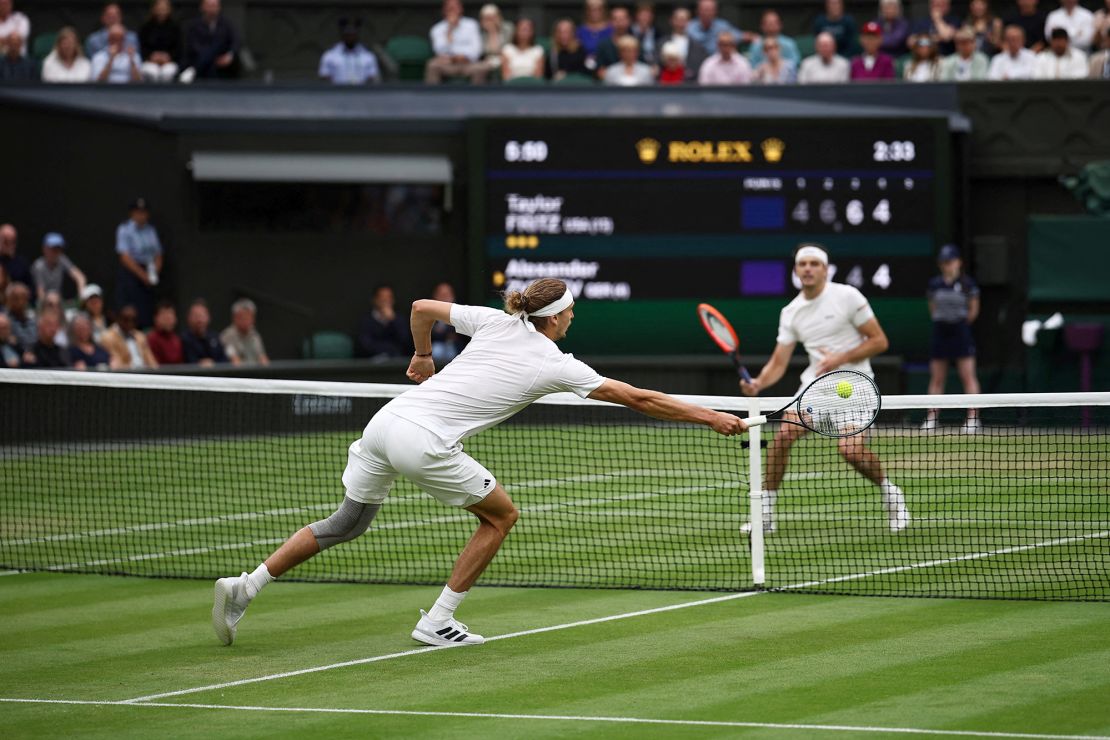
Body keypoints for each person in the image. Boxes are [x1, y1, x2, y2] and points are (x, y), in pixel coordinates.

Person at [211, 277, 747, 647]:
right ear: (556, 318)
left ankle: (247, 585)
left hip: (384, 423)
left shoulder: (493, 321)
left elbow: (419, 308)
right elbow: (641, 399)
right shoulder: (555, 363)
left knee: (346, 521)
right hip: (424, 440)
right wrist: (713, 417)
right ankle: (438, 621)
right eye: (570, 314)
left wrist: (421, 355)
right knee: (502, 516)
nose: (571, 320)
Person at [740, 244, 909, 535]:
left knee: (850, 452)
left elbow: (879, 341)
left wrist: (839, 358)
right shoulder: (791, 312)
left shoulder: (847, 297)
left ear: (825, 269)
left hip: (857, 386)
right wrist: (758, 383)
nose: (807, 268)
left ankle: (891, 496)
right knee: (783, 436)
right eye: (802, 264)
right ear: (796, 270)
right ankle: (765, 514)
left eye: (814, 264)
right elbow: (778, 363)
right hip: (816, 389)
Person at [922, 244, 981, 434]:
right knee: (937, 378)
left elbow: (973, 310)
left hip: (961, 332)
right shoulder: (934, 284)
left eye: (950, 261)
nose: (947, 266)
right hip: (940, 332)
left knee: (968, 377)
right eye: (943, 262)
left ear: (958, 262)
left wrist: (959, 322)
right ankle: (932, 418)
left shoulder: (968, 284)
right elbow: (932, 308)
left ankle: (973, 419)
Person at [115, 197, 164, 328]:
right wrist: (143, 275)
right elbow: (124, 257)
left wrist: (154, 274)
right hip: (132, 274)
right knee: (132, 311)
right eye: (138, 212)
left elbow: (158, 253)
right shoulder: (124, 229)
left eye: (144, 212)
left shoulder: (151, 230)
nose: (141, 215)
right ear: (132, 213)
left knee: (148, 312)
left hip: (149, 273)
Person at [424, 0, 485, 84]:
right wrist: (449, 31)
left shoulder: (471, 25)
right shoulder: (437, 28)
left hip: (468, 64)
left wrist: (460, 57)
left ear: (461, 9)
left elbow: (476, 50)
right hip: (447, 65)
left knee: (481, 68)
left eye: (455, 7)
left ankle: (477, 96)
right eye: (449, 7)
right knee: (432, 65)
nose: (452, 9)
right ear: (444, 10)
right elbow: (439, 51)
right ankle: (432, 96)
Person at [182, 0, 240, 81]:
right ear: (202, 7)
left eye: (214, 6)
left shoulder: (227, 24)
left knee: (219, 44)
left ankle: (194, 70)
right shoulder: (193, 25)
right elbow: (193, 45)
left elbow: (236, 41)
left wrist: (229, 56)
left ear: (219, 8)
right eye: (209, 6)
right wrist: (210, 56)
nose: (212, 9)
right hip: (199, 57)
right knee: (214, 48)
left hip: (222, 59)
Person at [318, 17, 380, 85]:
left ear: (357, 35)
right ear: (342, 36)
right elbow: (324, 76)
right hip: (337, 93)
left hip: (362, 93)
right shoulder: (330, 55)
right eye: (347, 35)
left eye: (352, 35)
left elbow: (373, 77)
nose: (350, 38)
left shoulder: (368, 56)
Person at [31, 233, 87, 306]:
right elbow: (40, 293)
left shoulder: (61, 260)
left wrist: (81, 295)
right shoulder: (38, 266)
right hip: (42, 304)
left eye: (58, 249)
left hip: (59, 302)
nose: (56, 252)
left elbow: (80, 277)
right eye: (53, 249)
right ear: (45, 249)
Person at [359, 284, 413, 358]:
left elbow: (406, 342)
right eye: (382, 297)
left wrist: (393, 320)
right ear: (375, 299)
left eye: (388, 297)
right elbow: (365, 345)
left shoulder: (400, 319)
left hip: (397, 359)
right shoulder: (367, 320)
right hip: (373, 360)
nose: (385, 300)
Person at [101, 304, 158, 369]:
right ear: (118, 318)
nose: (130, 323)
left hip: (145, 374)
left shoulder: (140, 336)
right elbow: (117, 365)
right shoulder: (108, 338)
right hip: (126, 375)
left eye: (133, 320)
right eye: (126, 319)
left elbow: (152, 362)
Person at [139, 0, 181, 83]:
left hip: (169, 62)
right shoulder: (145, 28)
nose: (161, 11)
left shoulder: (175, 28)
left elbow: (179, 48)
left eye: (164, 9)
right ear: (154, 9)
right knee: (152, 72)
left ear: (169, 10)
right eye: (159, 8)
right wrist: (151, 56)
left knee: (167, 72)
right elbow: (142, 47)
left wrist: (168, 57)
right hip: (150, 61)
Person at [219, 297, 269, 366]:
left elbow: (263, 358)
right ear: (235, 318)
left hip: (256, 374)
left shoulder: (254, 334)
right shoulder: (227, 336)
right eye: (243, 317)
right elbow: (235, 362)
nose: (246, 320)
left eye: (249, 316)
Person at [181, 299, 227, 365]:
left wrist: (213, 363)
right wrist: (199, 364)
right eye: (196, 316)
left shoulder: (215, 337)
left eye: (202, 315)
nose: (199, 320)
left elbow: (225, 360)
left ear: (208, 317)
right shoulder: (184, 340)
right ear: (189, 318)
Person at [429, 282, 466, 363]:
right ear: (436, 297)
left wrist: (443, 332)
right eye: (442, 295)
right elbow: (430, 334)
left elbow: (460, 333)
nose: (445, 298)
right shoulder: (429, 313)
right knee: (437, 350)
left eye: (447, 295)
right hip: (435, 348)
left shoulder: (460, 312)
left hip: (456, 349)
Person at [595, 5, 636, 74]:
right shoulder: (603, 44)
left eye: (622, 19)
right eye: (615, 19)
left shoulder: (636, 42)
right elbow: (600, 70)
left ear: (629, 21)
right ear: (610, 22)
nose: (619, 23)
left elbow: (641, 66)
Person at [501, 17, 544, 81]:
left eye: (527, 30)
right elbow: (506, 77)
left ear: (532, 32)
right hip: (511, 88)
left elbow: (538, 76)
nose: (524, 33)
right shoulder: (507, 49)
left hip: (532, 88)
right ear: (516, 31)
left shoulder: (538, 50)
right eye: (522, 30)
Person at [476, 4, 512, 79]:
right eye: (487, 19)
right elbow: (482, 52)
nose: (490, 21)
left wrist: (494, 31)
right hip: (486, 62)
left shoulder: (509, 28)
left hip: (506, 60)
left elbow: (509, 49)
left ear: (499, 17)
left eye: (493, 18)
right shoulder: (478, 32)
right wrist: (491, 32)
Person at [146, 300, 184, 365]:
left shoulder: (178, 339)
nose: (168, 318)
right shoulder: (151, 339)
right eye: (163, 314)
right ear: (155, 318)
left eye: (170, 313)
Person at [4, 281, 36, 350]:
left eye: (24, 298)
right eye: (16, 298)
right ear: (8, 300)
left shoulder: (33, 319)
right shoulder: (4, 321)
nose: (20, 302)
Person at [0, 223, 32, 290]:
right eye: (5, 241)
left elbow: (31, 290)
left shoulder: (22, 264)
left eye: (12, 241)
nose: (9, 244)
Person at [631, 2, 662, 67]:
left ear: (652, 17)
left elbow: (659, 53)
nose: (645, 18)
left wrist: (656, 65)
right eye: (642, 15)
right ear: (637, 16)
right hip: (633, 64)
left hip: (651, 66)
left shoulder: (657, 33)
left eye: (647, 16)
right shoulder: (629, 31)